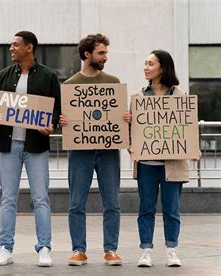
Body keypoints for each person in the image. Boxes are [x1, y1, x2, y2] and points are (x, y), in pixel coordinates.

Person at [0, 31, 61, 267]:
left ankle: (44, 248)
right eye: (11, 44)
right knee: (7, 198)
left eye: (15, 45)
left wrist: (50, 126)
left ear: (29, 48)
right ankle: (5, 247)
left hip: (36, 146)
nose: (11, 48)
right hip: (9, 145)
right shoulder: (4, 75)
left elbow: (56, 112)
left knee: (40, 197)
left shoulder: (48, 76)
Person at [59, 33, 131, 266]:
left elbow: (118, 115)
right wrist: (63, 122)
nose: (105, 57)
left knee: (112, 202)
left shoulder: (113, 82)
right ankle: (79, 250)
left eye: (106, 53)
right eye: (101, 53)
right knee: (76, 203)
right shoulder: (70, 86)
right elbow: (66, 118)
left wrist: (125, 118)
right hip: (80, 152)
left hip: (109, 151)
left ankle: (111, 250)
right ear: (87, 54)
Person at [132, 50, 192, 268]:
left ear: (163, 68)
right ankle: (146, 250)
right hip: (147, 164)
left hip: (172, 164)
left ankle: (171, 249)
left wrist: (193, 147)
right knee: (146, 208)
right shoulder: (138, 96)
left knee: (171, 209)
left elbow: (188, 128)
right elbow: (134, 132)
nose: (146, 67)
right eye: (145, 63)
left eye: (150, 64)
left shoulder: (180, 96)